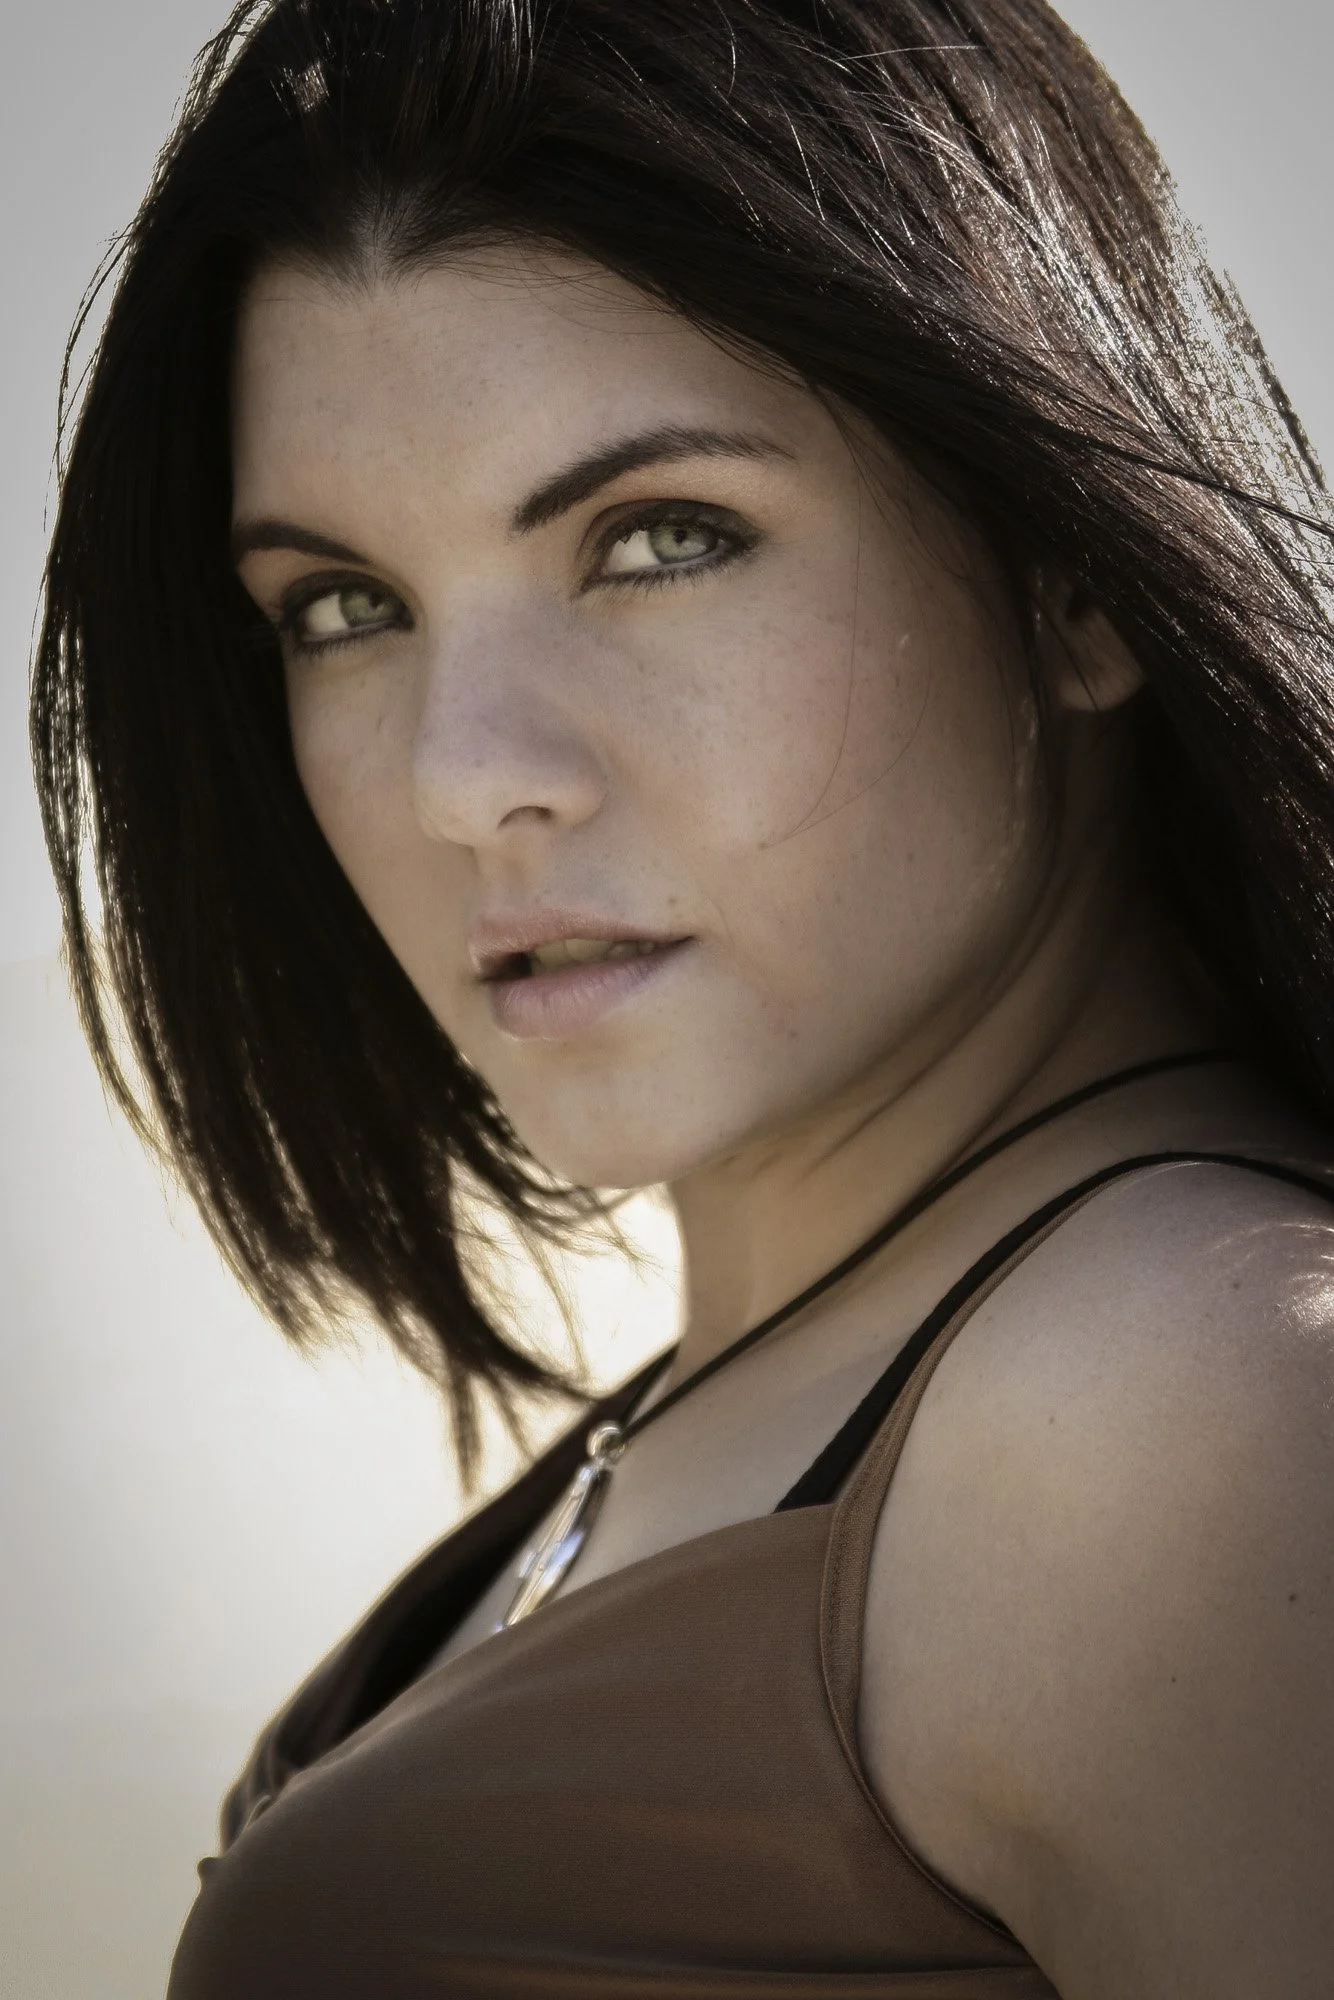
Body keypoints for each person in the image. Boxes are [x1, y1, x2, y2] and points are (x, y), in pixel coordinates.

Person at [33, 0, 1334, 1993]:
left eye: (659, 540)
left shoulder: (1193, 1401)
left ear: (1073, 581)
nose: (469, 774)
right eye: (343, 605)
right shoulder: (840, 1381)